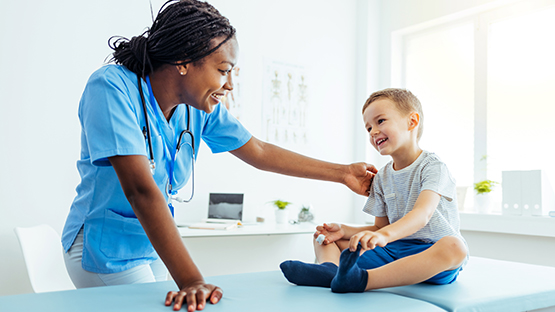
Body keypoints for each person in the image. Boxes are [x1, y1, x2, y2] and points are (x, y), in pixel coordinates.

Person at [61, 0, 377, 311]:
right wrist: (192, 281)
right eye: (223, 71)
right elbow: (140, 190)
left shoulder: (197, 107)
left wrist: (343, 173)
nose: (229, 85)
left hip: (146, 246)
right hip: (102, 250)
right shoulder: (111, 87)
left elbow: (259, 151)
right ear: (183, 61)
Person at [280, 88, 468, 293]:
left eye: (380, 121)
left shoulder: (433, 167)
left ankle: (362, 280)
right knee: (324, 237)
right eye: (368, 128)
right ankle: (332, 271)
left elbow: (422, 214)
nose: (373, 132)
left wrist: (385, 236)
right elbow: (380, 228)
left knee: (455, 248)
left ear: (412, 121)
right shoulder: (381, 177)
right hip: (393, 249)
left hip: (430, 252)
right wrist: (344, 230)